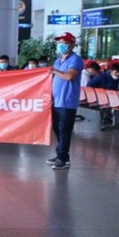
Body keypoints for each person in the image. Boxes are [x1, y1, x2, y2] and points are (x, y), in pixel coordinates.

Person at [46, 32, 83, 170]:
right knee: (57, 128)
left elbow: (69, 77)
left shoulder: (75, 59)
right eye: (59, 42)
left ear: (72, 44)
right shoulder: (58, 60)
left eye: (64, 42)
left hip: (67, 101)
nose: (60, 45)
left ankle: (62, 156)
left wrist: (55, 71)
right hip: (57, 101)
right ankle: (62, 155)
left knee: (64, 129)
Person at [87, 62, 119, 130]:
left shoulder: (114, 79)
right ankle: (108, 119)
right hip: (103, 99)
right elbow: (89, 85)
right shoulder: (103, 77)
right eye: (118, 73)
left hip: (108, 99)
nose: (118, 75)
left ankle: (108, 119)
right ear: (114, 71)